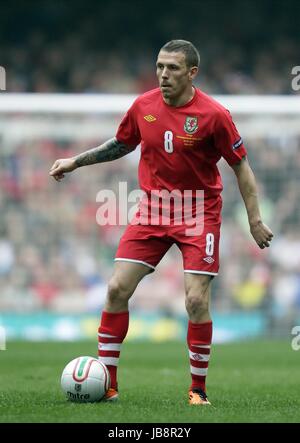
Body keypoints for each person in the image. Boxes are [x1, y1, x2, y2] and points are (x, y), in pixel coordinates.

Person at [49, 39, 274, 405]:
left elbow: (240, 166)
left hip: (199, 212)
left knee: (195, 301)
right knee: (116, 289)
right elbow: (121, 144)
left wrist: (255, 219)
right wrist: (75, 161)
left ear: (191, 73)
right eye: (159, 66)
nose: (163, 74)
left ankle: (197, 389)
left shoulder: (215, 115)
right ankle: (109, 385)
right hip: (152, 210)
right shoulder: (143, 106)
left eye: (172, 68)